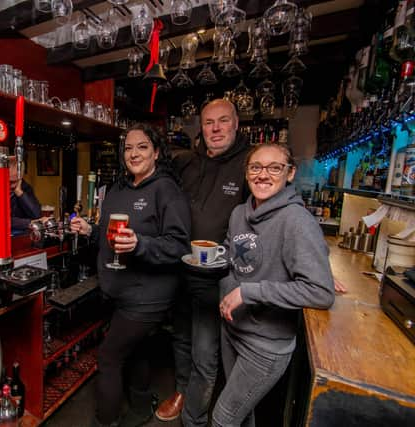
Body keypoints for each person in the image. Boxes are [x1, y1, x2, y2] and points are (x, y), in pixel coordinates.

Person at [70, 124, 190, 427]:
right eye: (128, 148)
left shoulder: (166, 190)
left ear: (157, 152)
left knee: (110, 357)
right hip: (118, 289)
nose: (133, 153)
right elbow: (110, 236)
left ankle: (105, 421)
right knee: (136, 348)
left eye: (142, 147)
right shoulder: (118, 189)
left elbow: (179, 245)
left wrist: (140, 244)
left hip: (148, 295)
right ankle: (139, 405)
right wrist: (90, 230)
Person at [212, 143, 335, 426]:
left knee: (222, 419)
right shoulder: (239, 213)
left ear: (290, 174)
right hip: (232, 329)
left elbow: (320, 291)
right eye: (256, 167)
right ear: (246, 173)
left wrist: (248, 291)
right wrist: (227, 284)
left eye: (274, 167)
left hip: (265, 344)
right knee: (243, 417)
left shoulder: (297, 220)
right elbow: (232, 257)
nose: (263, 175)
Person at [156, 99, 250, 425]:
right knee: (180, 336)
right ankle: (184, 392)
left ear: (236, 124)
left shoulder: (248, 165)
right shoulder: (188, 164)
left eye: (223, 121)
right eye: (209, 123)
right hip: (180, 270)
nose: (215, 129)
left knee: (205, 350)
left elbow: (270, 216)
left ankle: (197, 415)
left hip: (218, 279)